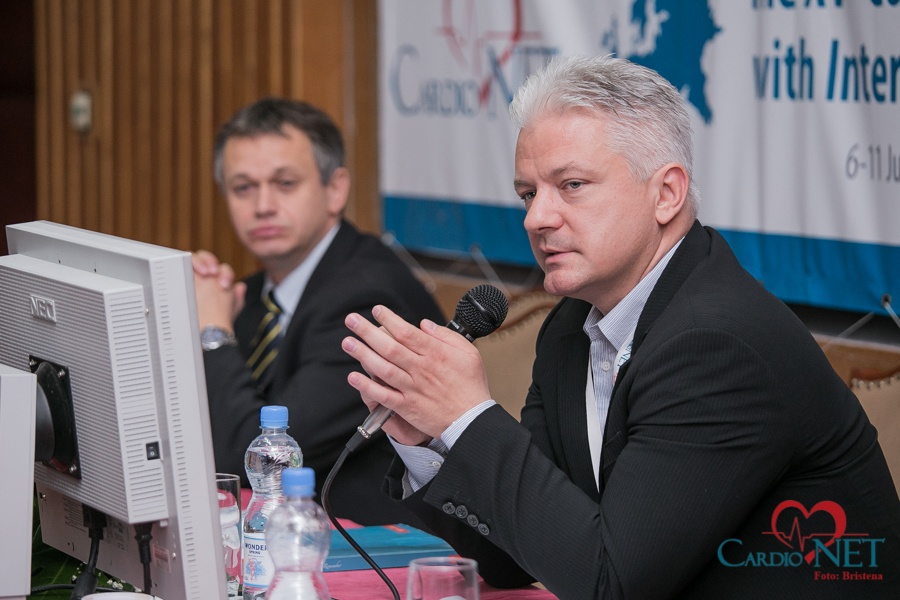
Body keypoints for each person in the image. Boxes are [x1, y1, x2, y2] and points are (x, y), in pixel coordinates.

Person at [340, 56, 900, 598]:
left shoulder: (717, 345)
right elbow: (515, 559)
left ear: (666, 194)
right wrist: (428, 437)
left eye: (572, 185)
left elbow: (613, 583)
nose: (536, 218)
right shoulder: (571, 327)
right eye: (528, 193)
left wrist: (466, 418)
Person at [193, 97, 444, 526]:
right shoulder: (252, 297)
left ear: (335, 190)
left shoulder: (367, 300)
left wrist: (213, 335)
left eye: (285, 183)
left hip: (386, 547)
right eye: (243, 187)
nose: (263, 205)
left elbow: (257, 462)